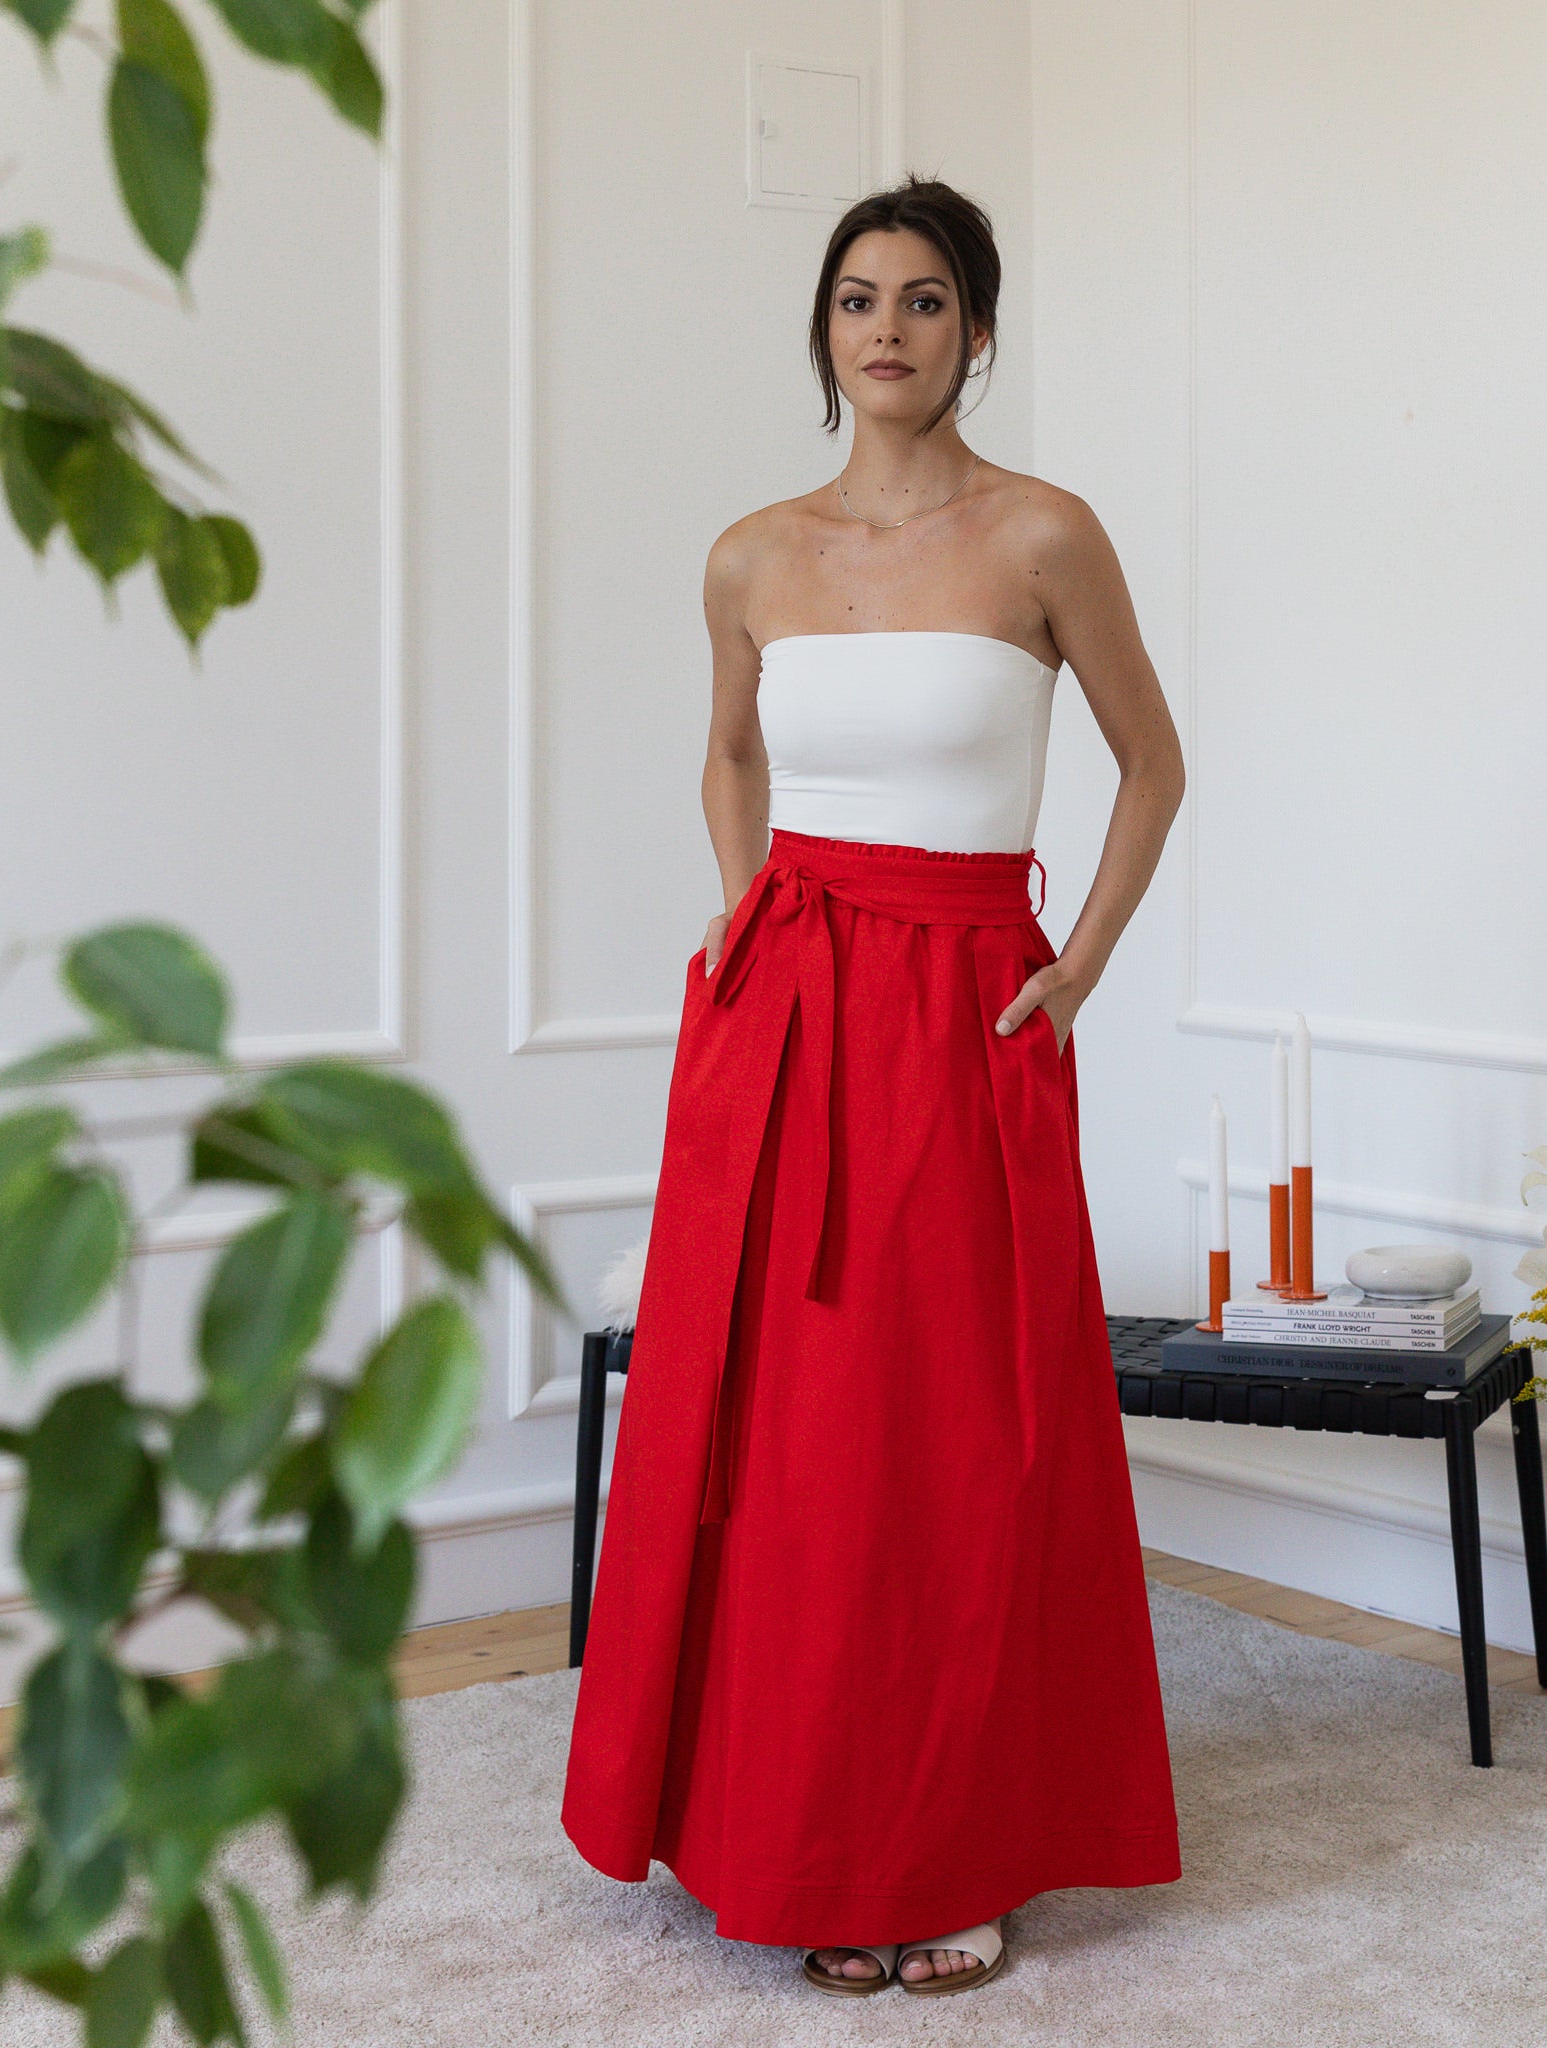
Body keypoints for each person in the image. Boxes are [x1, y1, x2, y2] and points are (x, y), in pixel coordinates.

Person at [561, 174, 1184, 1999]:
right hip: (784, 1010)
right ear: (823, 332)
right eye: (856, 299)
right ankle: (802, 1830)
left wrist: (1076, 974)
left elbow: (1153, 767)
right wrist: (741, 911)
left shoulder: (1047, 536)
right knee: (790, 1446)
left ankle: (960, 1843)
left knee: (955, 1435)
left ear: (978, 330)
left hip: (967, 1011)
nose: (888, 329)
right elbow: (733, 752)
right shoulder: (752, 553)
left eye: (924, 300)